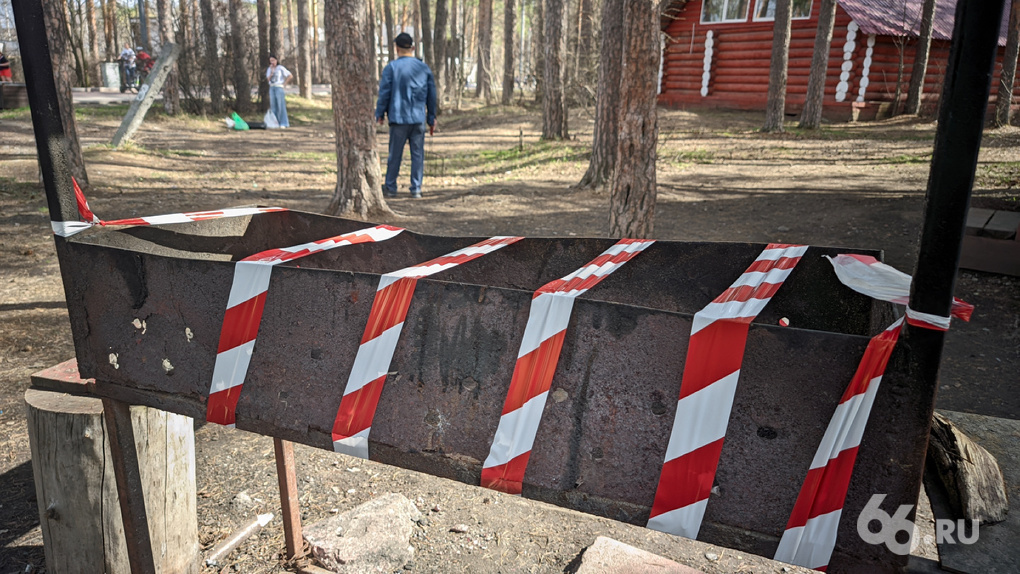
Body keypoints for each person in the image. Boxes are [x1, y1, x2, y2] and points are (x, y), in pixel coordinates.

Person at [375, 32, 437, 199]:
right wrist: (432, 117)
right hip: (418, 119)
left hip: (398, 118)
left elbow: (384, 93)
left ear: (396, 48)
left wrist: (379, 114)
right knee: (417, 154)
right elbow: (432, 95)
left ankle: (391, 187)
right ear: (412, 48)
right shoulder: (423, 68)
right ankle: (416, 188)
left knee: (395, 154)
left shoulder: (392, 68)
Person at [266, 55, 292, 128]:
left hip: (279, 87)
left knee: (280, 105)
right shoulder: (269, 69)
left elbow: (290, 75)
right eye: (271, 61)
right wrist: (271, 72)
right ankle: (275, 122)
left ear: (276, 60)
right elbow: (268, 79)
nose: (272, 62)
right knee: (273, 106)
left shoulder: (280, 68)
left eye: (273, 60)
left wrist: (284, 84)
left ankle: (284, 123)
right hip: (272, 87)